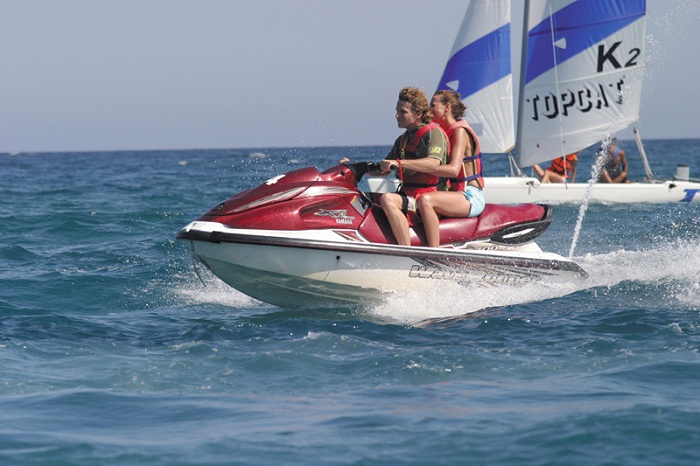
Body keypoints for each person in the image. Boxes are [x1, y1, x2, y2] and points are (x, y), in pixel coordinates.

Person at [378, 87, 449, 246]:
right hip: (410, 196)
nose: (397, 115)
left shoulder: (433, 134)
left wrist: (399, 163)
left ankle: (406, 251)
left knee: (388, 199)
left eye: (403, 112)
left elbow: (433, 163)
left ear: (419, 114)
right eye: (397, 111)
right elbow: (383, 168)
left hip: (429, 198)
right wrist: (352, 167)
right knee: (369, 197)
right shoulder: (402, 140)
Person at [414, 89, 485, 248]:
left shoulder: (459, 131)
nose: (429, 109)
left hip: (469, 196)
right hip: (455, 194)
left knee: (426, 200)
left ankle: (434, 253)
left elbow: (453, 170)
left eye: (433, 105)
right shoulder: (441, 132)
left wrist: (420, 167)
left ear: (447, 107)